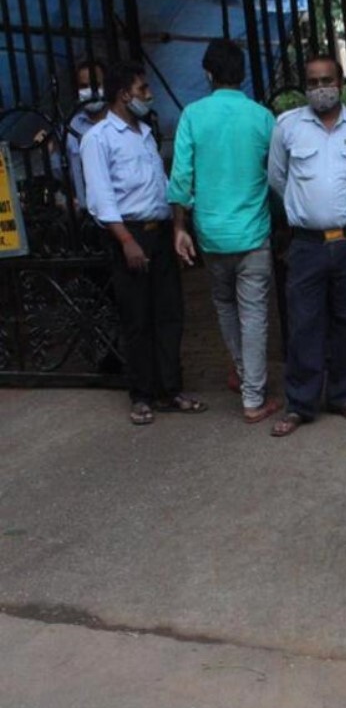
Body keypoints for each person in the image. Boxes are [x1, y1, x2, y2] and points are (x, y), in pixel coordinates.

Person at [266, 52, 346, 437]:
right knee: (303, 322)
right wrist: (310, 209)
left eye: (327, 80)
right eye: (313, 82)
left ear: (341, 82)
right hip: (307, 245)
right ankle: (300, 404)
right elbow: (278, 179)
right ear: (306, 86)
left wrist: (342, 206)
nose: (320, 88)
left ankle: (342, 395)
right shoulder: (287, 128)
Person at [81, 60, 206, 426]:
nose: (149, 96)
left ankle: (171, 389)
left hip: (159, 231)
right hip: (130, 235)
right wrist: (125, 242)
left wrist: (174, 228)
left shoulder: (145, 133)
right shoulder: (98, 139)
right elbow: (101, 198)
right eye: (143, 90)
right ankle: (141, 394)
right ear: (124, 95)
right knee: (137, 319)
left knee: (169, 314)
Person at [168, 39, 279, 424]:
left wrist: (179, 228)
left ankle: (246, 376)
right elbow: (279, 175)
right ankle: (253, 398)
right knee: (253, 314)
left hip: (211, 234)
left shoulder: (193, 116)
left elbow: (181, 178)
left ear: (208, 74)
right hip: (253, 234)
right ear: (243, 74)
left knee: (225, 307)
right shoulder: (263, 118)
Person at [58, 58, 107, 209]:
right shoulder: (69, 129)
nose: (90, 91)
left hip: (126, 213)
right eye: (84, 86)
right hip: (89, 217)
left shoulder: (121, 122)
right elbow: (60, 174)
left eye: (95, 85)